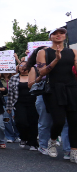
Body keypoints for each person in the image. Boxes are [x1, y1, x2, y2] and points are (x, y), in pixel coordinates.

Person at [36, 27, 77, 161]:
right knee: (58, 121)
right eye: (55, 34)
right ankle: (52, 141)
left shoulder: (73, 51)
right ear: (50, 37)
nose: (58, 35)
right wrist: (56, 59)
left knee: (74, 122)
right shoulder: (44, 52)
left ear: (65, 36)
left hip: (71, 88)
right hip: (53, 89)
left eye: (61, 33)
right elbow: (42, 72)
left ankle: (74, 152)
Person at [27, 46, 71, 157]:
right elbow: (30, 85)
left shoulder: (60, 65)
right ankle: (43, 146)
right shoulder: (35, 68)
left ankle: (68, 149)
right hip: (43, 95)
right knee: (45, 122)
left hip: (60, 94)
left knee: (65, 122)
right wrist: (41, 76)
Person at [6, 61, 39, 150]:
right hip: (19, 103)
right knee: (21, 122)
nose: (23, 67)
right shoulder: (14, 78)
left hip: (33, 102)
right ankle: (23, 137)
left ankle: (33, 143)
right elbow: (10, 93)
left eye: (25, 66)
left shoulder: (34, 77)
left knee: (33, 122)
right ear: (18, 67)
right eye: (21, 65)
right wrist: (9, 107)